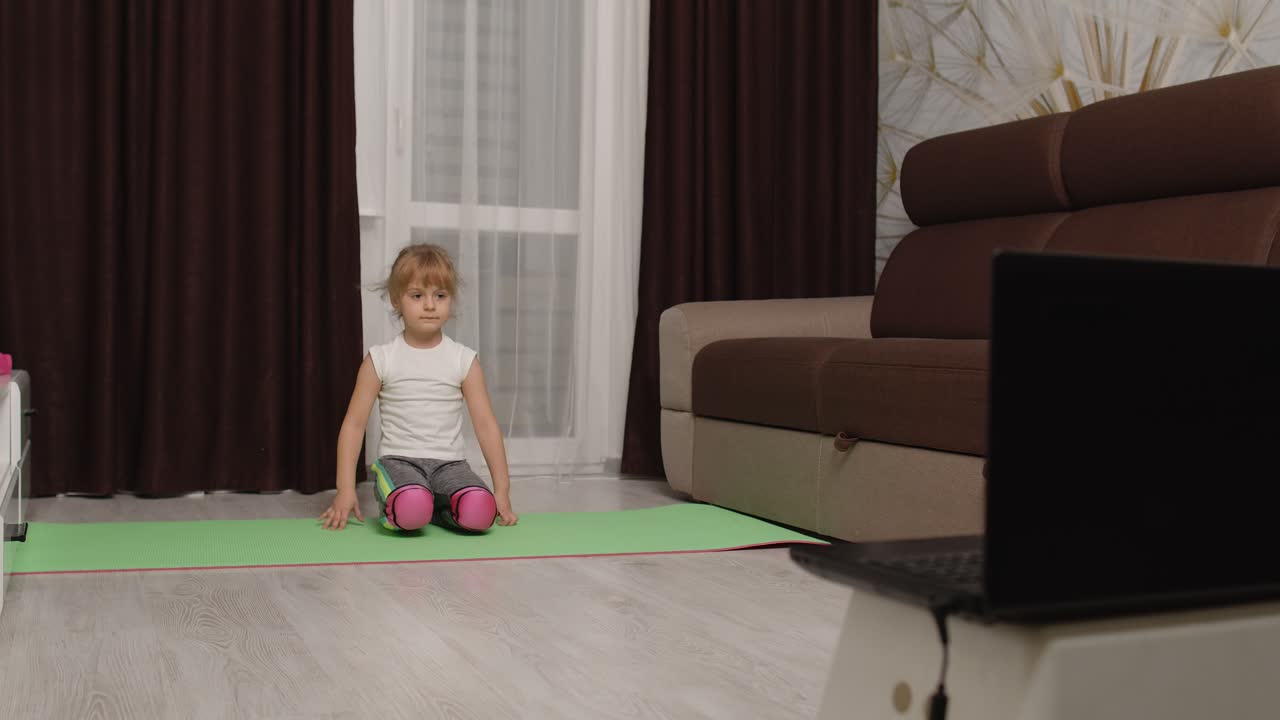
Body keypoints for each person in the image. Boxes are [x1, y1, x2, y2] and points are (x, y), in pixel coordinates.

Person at [320, 243, 518, 532]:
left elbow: (486, 425)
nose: (429, 305)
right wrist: (344, 490)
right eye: (417, 295)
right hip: (399, 463)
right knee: (412, 508)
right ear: (396, 300)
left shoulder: (464, 360)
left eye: (440, 295)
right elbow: (353, 425)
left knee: (480, 513)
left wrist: (502, 491)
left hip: (451, 465)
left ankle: (440, 511)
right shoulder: (381, 358)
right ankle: (415, 506)